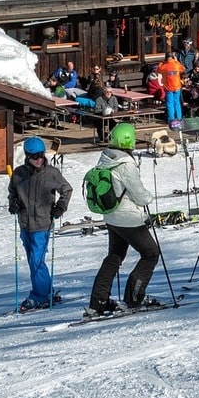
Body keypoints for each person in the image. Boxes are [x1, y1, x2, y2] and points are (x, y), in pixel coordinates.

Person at [85, 122, 164, 317]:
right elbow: (139, 194)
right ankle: (133, 298)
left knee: (114, 257)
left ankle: (98, 302)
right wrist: (148, 198)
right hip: (130, 219)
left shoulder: (105, 158)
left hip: (111, 217)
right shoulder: (126, 164)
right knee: (151, 254)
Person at [7, 136, 72, 310]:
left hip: (42, 224)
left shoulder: (51, 174)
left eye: (41, 155)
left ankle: (40, 296)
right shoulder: (19, 174)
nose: (39, 159)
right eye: (34, 156)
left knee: (36, 261)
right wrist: (13, 203)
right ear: (27, 156)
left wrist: (60, 207)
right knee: (33, 261)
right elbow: (12, 192)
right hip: (25, 224)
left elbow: (67, 190)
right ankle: (46, 291)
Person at [158, 49, 186, 128]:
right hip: (177, 87)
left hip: (168, 87)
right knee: (177, 103)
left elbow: (158, 70)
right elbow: (183, 69)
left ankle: (171, 120)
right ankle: (179, 119)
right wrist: (176, 61)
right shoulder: (176, 64)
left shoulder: (164, 66)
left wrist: (161, 63)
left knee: (170, 104)